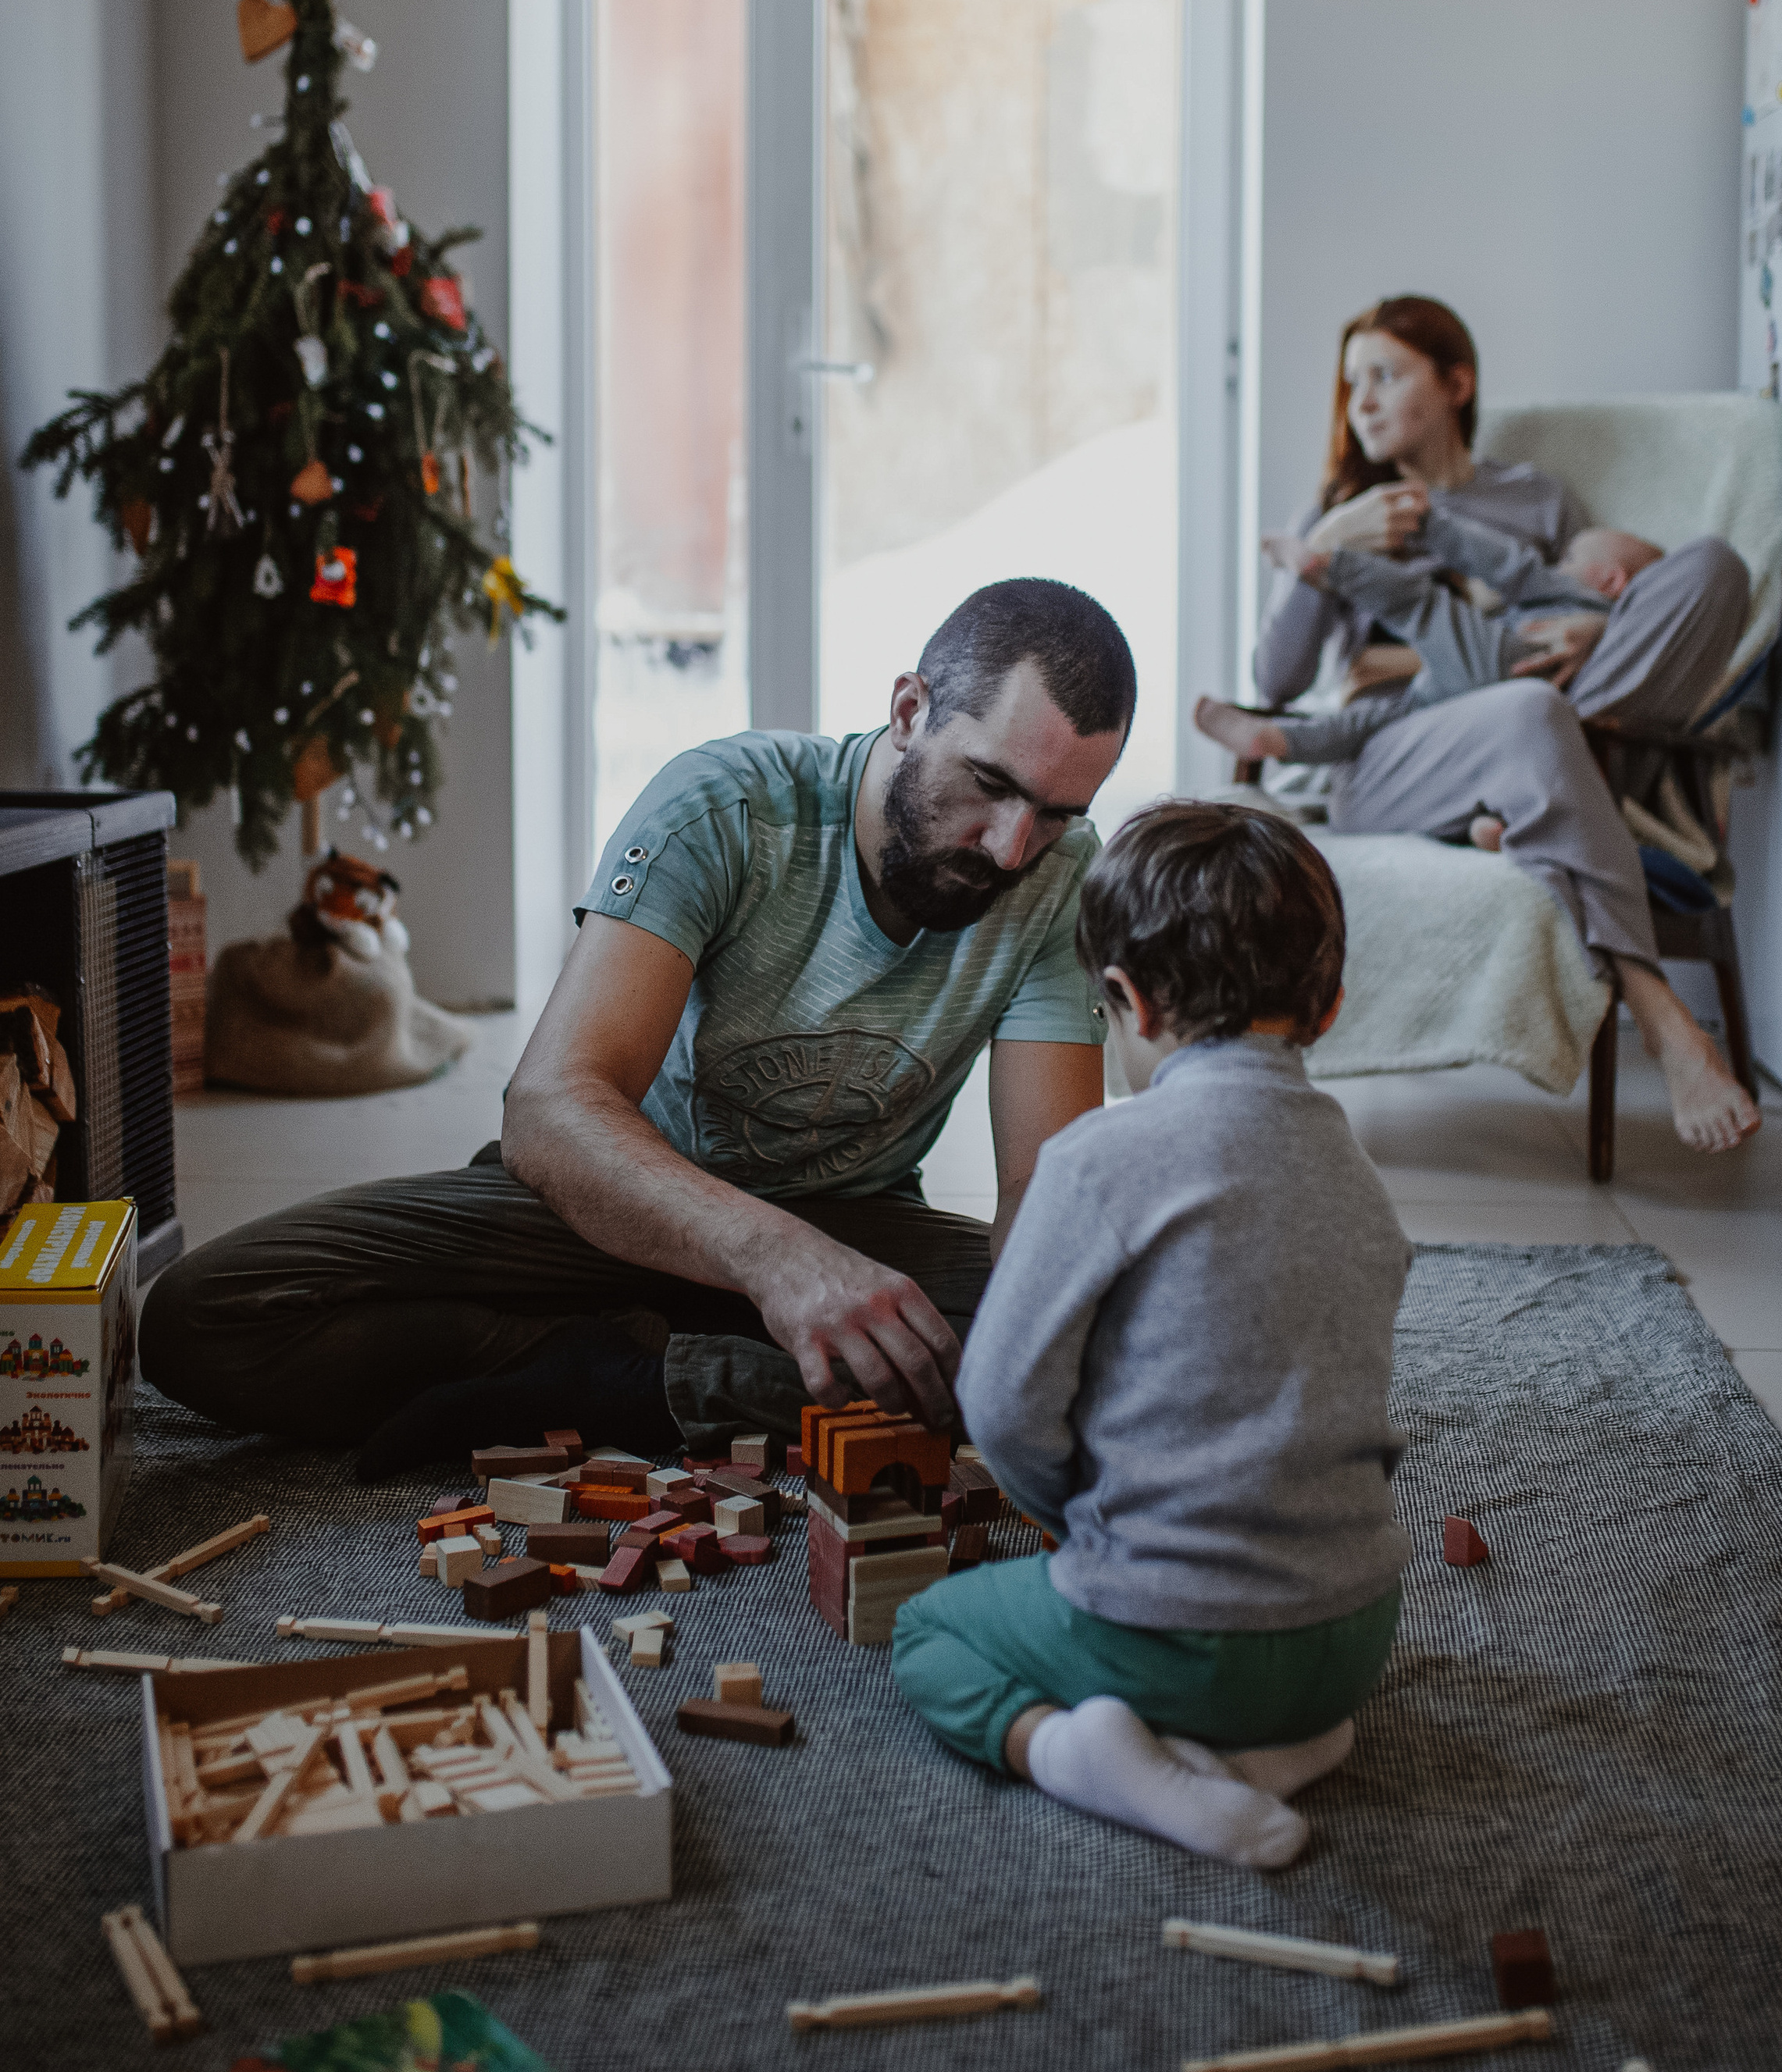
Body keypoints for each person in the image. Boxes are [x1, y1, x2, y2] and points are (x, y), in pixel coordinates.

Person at [140, 579, 1137, 1472]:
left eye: (1055, 812)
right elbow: (548, 1110)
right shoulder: (727, 806)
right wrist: (777, 1259)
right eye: (993, 786)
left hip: (857, 1218)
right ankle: (637, 1352)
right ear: (910, 710)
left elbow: (1037, 1187)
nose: (1013, 849)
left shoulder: (1056, 872)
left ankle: (634, 1376)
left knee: (1119, 1346)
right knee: (204, 1319)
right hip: (612, 1214)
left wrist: (1031, 1343)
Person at [891, 803, 1408, 1871]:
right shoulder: (1358, 1173)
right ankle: (1263, 1754)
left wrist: (1074, 1514)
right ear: (1332, 1005)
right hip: (1353, 1637)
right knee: (1282, 1679)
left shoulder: (1097, 1161)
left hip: (1170, 1632)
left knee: (932, 1635)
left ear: (1126, 1001)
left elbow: (999, 1398)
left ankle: (1087, 1762)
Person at [1214, 296, 1759, 1155]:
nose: (1360, 401)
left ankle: (1520, 803)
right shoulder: (1337, 506)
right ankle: (1657, 1010)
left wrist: (1597, 630)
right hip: (1396, 755)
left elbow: (1607, 590)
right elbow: (1275, 680)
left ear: (1456, 383)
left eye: (1385, 375)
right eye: (1350, 382)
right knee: (1525, 708)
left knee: (1713, 567)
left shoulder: (1534, 499)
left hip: (1545, 712)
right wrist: (1326, 540)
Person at [1195, 510, 1665, 769]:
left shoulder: (1574, 598)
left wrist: (1433, 525)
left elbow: (1511, 567)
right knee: (1384, 721)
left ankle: (1324, 566)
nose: (1559, 565)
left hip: (1505, 660)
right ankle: (1275, 738)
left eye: (1570, 558)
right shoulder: (1623, 647)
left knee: (1419, 606)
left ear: (1606, 578)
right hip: (1512, 707)